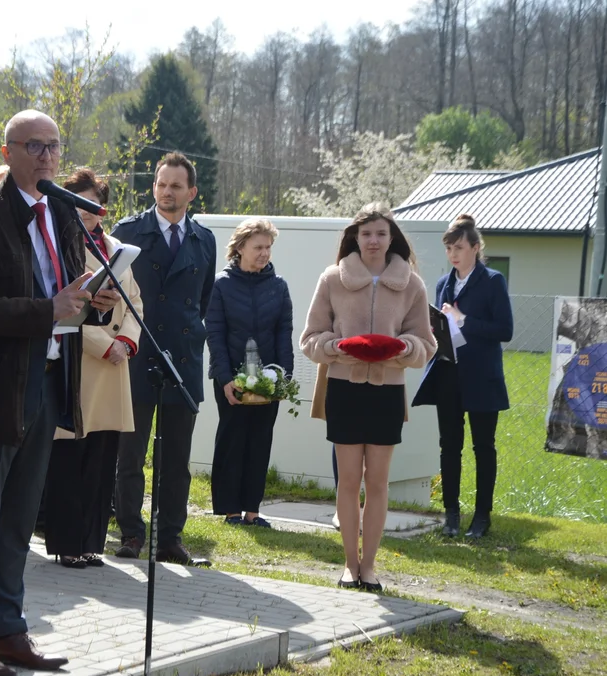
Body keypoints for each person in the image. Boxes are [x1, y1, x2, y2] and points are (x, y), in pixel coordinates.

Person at [0, 109, 119, 676]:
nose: (46, 156)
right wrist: (49, 310)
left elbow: (65, 290)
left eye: (54, 146)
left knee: (19, 521)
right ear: (9, 151)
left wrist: (95, 298)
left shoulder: (61, 212)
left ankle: (9, 632)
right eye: (34, 146)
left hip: (45, 381)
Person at [300, 203, 436, 593]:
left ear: (392, 237)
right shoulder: (332, 279)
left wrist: (400, 347)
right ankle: (349, 564)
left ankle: (370, 567)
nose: (373, 240)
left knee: (377, 482)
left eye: (380, 233)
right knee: (348, 481)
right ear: (354, 238)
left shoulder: (411, 283)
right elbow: (310, 339)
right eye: (366, 234)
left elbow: (425, 344)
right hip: (343, 389)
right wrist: (341, 347)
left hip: (387, 394)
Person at [112, 152, 217, 566]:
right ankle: (130, 533)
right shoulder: (128, 232)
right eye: (161, 184)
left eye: (176, 186)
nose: (166, 192)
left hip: (183, 358)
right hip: (137, 354)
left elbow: (202, 298)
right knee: (130, 454)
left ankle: (170, 537)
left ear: (191, 192)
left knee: (176, 458)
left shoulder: (203, 238)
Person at [43, 169, 143, 569]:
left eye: (94, 208)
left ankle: (92, 542)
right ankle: (67, 543)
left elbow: (134, 299)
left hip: (116, 362)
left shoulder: (115, 245)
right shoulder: (60, 245)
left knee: (103, 457)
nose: (88, 217)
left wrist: (126, 341)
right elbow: (62, 307)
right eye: (80, 208)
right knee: (71, 457)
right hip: (80, 361)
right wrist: (104, 345)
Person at [412, 214, 513, 539]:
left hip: (482, 378)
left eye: (458, 247)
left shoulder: (493, 281)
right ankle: (451, 515)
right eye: (448, 248)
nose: (453, 254)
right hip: (448, 374)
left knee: (483, 447)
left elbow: (505, 330)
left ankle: (482, 517)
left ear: (475, 247)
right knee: (449, 446)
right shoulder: (443, 283)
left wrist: (465, 319)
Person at [205, 219, 292, 528]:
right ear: (240, 247)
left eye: (268, 247)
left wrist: (284, 377)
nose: (264, 253)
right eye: (258, 247)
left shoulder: (278, 286)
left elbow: (284, 333)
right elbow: (215, 334)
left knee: (259, 441)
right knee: (233, 439)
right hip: (231, 378)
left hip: (268, 378)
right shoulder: (222, 285)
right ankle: (230, 510)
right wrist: (226, 379)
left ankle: (253, 510)